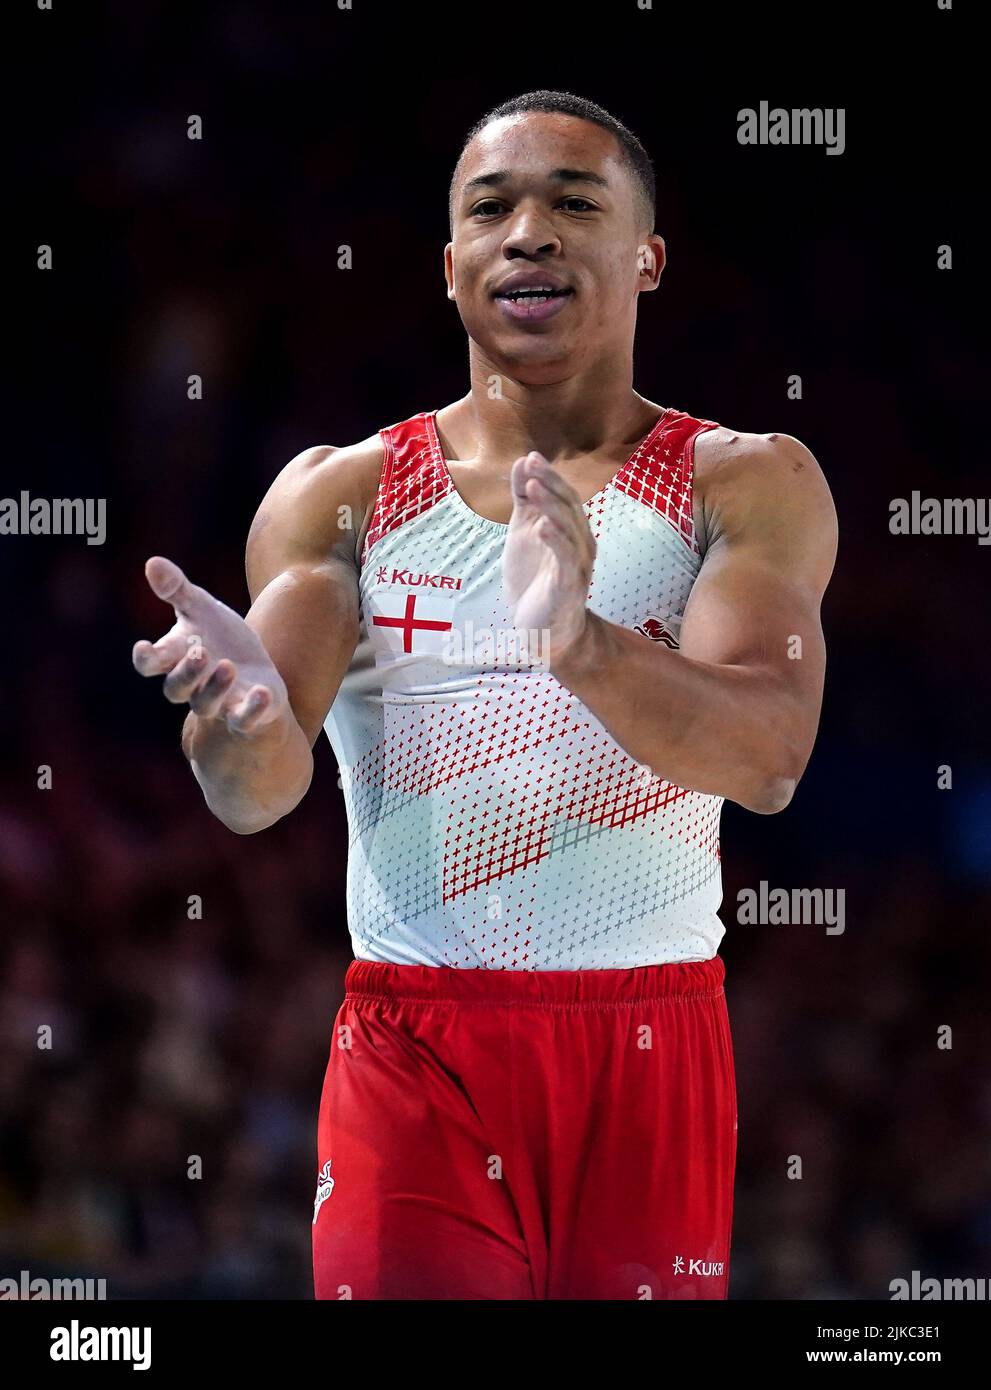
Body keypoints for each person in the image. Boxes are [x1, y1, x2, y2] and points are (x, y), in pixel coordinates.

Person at [133, 90, 837, 1300]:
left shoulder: (744, 483)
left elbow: (767, 757)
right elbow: (254, 795)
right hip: (418, 1049)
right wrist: (236, 717)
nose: (529, 232)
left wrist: (581, 641)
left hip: (649, 1044)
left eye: (574, 203)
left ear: (646, 256)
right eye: (492, 207)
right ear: (451, 263)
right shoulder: (335, 499)